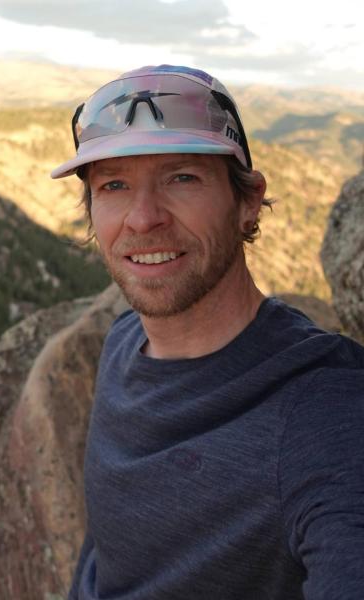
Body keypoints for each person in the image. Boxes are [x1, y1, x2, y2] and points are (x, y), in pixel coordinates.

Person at [50, 64, 364, 599]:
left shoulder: (324, 411)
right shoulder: (124, 341)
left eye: (182, 178)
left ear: (246, 201)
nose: (143, 218)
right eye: (115, 185)